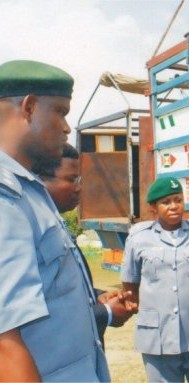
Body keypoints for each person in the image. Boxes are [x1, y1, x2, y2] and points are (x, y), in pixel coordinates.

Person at [0, 60, 109, 381]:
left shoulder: (29, 190)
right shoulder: (5, 198)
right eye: (60, 111)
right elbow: (6, 346)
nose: (66, 127)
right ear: (29, 107)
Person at [120, 176, 189, 382]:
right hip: (158, 336)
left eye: (178, 200)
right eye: (166, 202)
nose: (174, 206)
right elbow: (130, 284)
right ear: (153, 207)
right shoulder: (138, 237)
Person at [35, 142, 134, 342]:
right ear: (40, 181)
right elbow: (41, 315)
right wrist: (105, 312)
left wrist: (95, 296)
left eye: (79, 179)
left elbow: (60, 290)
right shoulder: (31, 233)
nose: (79, 188)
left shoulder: (56, 225)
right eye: (71, 179)